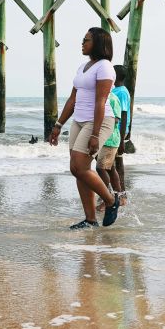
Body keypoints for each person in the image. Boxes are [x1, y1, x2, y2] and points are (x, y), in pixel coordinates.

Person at [48, 27, 121, 229]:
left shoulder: (105, 67)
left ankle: (110, 200)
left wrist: (96, 134)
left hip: (98, 121)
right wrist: (58, 124)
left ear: (97, 43)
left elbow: (101, 102)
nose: (82, 43)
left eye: (86, 40)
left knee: (79, 167)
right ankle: (90, 220)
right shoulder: (83, 67)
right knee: (78, 170)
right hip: (79, 121)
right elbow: (73, 99)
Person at [95, 91, 124, 206]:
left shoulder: (112, 98)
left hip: (110, 139)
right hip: (101, 138)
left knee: (101, 168)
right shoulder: (98, 97)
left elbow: (116, 119)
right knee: (110, 168)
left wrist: (99, 118)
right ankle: (118, 196)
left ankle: (108, 198)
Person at [110, 65, 131, 197]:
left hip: (117, 131)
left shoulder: (122, 92)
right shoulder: (116, 90)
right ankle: (118, 192)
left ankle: (121, 193)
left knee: (116, 163)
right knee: (113, 162)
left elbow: (123, 115)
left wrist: (122, 139)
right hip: (112, 130)